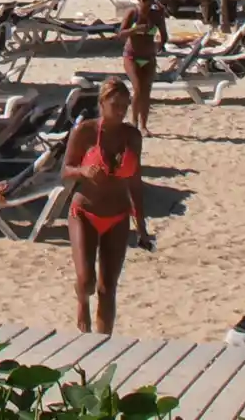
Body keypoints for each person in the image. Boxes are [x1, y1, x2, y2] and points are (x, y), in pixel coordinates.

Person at [62, 77, 149, 335]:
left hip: (117, 215)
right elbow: (65, 170)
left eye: (125, 105)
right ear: (102, 103)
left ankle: (103, 343)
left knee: (107, 288)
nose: (121, 110)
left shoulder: (132, 136)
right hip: (84, 212)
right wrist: (84, 171)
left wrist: (141, 227)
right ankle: (81, 303)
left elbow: (135, 183)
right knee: (87, 282)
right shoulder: (85, 131)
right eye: (115, 105)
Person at [119, 0, 168, 132]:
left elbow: (164, 36)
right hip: (131, 56)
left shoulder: (156, 16)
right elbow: (120, 34)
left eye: (150, 1)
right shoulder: (133, 13)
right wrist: (135, 30)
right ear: (139, 0)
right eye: (144, 1)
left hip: (148, 57)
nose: (146, 4)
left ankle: (144, 126)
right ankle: (134, 122)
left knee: (146, 91)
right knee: (138, 88)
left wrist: (160, 44)